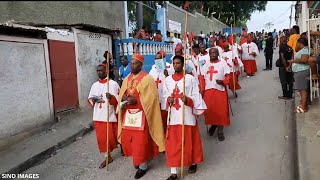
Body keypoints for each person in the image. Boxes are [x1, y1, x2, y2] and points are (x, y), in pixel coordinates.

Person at [117, 53, 165, 179]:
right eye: (131, 63)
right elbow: (122, 93)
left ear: (141, 65)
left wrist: (137, 101)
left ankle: (143, 165)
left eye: (135, 64)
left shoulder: (147, 79)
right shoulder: (127, 78)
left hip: (142, 115)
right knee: (131, 139)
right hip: (129, 115)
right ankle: (137, 159)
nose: (132, 66)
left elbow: (152, 99)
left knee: (141, 141)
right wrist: (122, 98)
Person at [163, 55, 207, 180]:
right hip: (173, 117)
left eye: (178, 63)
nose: (176, 65)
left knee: (189, 140)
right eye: (174, 63)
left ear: (183, 65)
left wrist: (188, 100)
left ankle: (192, 162)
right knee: (173, 143)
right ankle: (173, 172)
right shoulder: (168, 80)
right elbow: (164, 96)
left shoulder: (190, 79)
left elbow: (196, 96)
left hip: (186, 115)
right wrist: (168, 99)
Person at [88, 64, 120, 169]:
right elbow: (90, 99)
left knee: (112, 137)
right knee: (102, 139)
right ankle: (107, 157)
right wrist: (93, 100)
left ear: (106, 71)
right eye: (97, 71)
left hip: (110, 115)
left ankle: (122, 145)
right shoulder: (94, 85)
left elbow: (119, 101)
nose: (99, 72)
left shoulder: (113, 84)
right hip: (98, 116)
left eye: (101, 70)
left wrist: (111, 98)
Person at [199, 48, 231, 141]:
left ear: (218, 54)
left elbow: (228, 76)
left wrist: (223, 81)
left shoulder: (223, 63)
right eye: (211, 53)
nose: (212, 54)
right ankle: (214, 124)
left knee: (221, 111)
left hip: (219, 90)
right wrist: (201, 90)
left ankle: (220, 130)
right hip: (208, 90)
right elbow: (202, 78)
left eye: (214, 52)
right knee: (210, 111)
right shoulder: (205, 65)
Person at [149, 50, 173, 135]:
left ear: (164, 59)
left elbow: (173, 82)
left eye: (159, 58)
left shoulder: (170, 67)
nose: (157, 60)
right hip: (156, 96)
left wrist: (167, 75)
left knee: (165, 117)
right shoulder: (153, 68)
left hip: (165, 97)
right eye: (156, 58)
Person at [287, 37, 310, 113]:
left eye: (297, 43)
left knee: (303, 89)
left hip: (302, 71)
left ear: (300, 43)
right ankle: (303, 105)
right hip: (299, 71)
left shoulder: (305, 50)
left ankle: (303, 107)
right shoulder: (302, 50)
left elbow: (304, 60)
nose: (296, 45)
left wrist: (293, 61)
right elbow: (297, 50)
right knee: (301, 89)